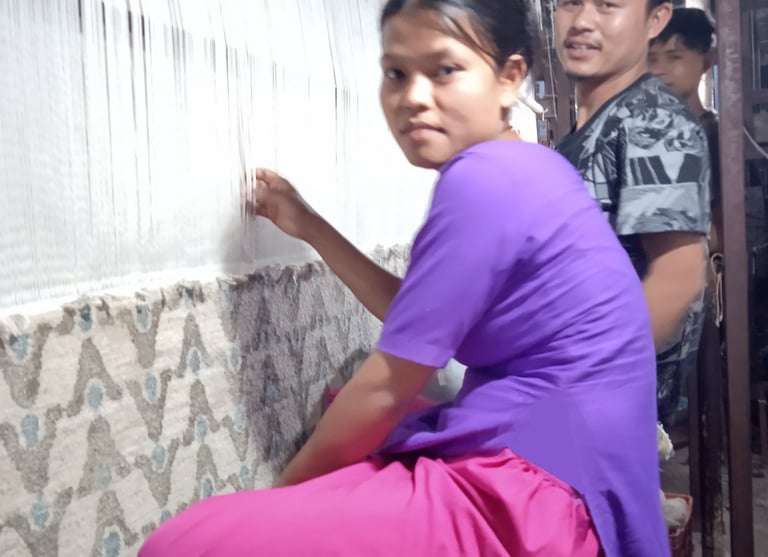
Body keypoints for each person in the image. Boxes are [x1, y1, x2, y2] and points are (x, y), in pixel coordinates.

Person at [140, 0, 668, 555]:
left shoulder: (485, 181)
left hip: (546, 494)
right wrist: (310, 225)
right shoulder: (532, 164)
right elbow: (416, 318)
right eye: (396, 73)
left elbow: (389, 385)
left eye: (444, 70)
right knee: (347, 411)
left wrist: (279, 502)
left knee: (187, 543)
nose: (413, 96)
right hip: (588, 467)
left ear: (510, 78)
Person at [553, 0, 711, 429]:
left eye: (608, 4)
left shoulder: (652, 121)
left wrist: (577, 388)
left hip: (601, 399)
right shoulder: (602, 121)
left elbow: (678, 275)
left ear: (655, 20)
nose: (581, 21)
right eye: (570, 3)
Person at [649, 7, 721, 254]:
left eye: (674, 57)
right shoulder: (646, 137)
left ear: (706, 61)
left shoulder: (715, 136)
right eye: (652, 59)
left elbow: (722, 230)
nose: (658, 70)